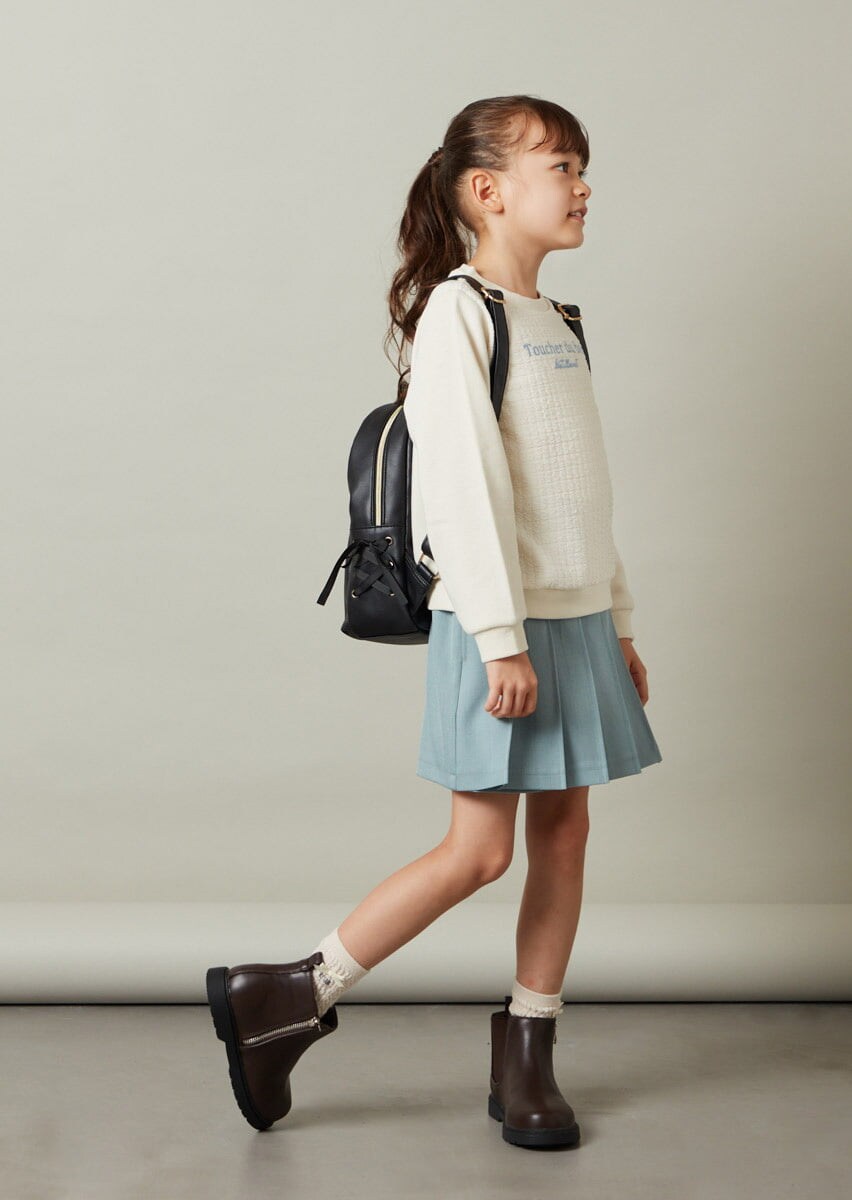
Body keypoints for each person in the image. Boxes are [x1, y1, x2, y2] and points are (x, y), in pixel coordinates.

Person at [205, 94, 663, 1151]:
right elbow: (461, 490)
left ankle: (528, 1051)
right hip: (500, 624)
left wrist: (619, 619)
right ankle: (291, 994)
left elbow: (578, 493)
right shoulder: (461, 313)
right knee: (479, 851)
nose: (583, 185)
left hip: (575, 617)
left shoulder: (558, 321)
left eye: (582, 165)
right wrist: (500, 638)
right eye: (561, 165)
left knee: (566, 834)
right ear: (487, 190)